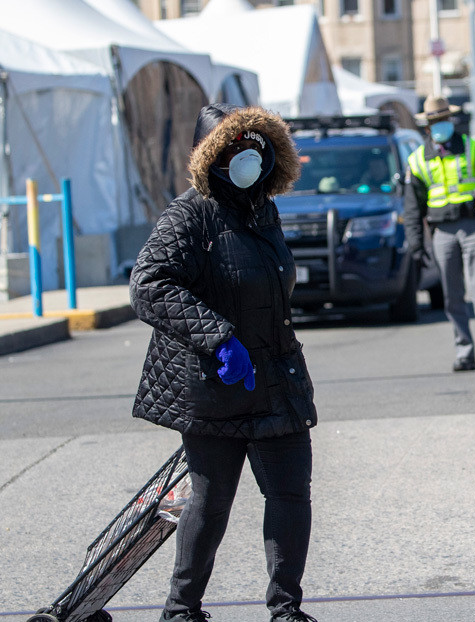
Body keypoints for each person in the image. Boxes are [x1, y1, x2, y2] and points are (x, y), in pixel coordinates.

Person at [130, 103, 318, 622]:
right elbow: (148, 285)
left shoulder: (263, 210)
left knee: (290, 493)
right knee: (210, 502)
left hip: (277, 376)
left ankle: (286, 609)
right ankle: (181, 609)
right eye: (236, 150)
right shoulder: (190, 216)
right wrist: (217, 337)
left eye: (259, 150)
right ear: (210, 158)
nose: (249, 160)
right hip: (217, 382)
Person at [404, 95, 475, 372]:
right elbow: (412, 208)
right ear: (427, 127)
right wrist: (417, 246)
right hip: (442, 234)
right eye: (435, 122)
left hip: (474, 227)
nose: (440, 126)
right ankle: (464, 352)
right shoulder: (416, 161)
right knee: (451, 296)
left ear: (451, 120)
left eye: (444, 120)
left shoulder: (473, 150)